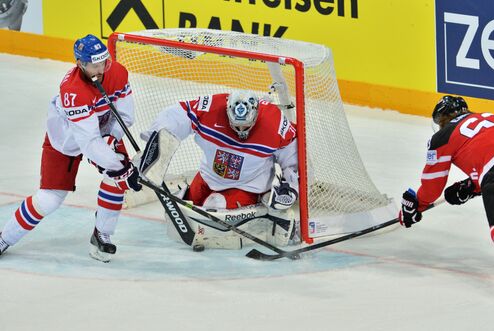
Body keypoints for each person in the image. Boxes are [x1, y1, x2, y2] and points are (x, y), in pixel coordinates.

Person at [0, 34, 142, 262]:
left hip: (101, 131)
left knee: (116, 183)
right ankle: (5, 238)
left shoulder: (116, 72)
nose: (102, 68)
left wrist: (113, 139)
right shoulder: (73, 91)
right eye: (95, 64)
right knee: (49, 199)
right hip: (64, 142)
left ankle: (102, 235)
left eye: (104, 61)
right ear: (81, 64)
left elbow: (124, 116)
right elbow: (88, 143)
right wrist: (119, 168)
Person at [399, 95, 494, 296]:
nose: (440, 125)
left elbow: (432, 187)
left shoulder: (442, 137)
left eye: (440, 120)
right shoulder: (487, 117)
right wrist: (471, 186)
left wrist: (417, 204)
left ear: (445, 117)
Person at [141, 90, 300, 249]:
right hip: (209, 176)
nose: (241, 130)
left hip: (247, 185)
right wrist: (153, 143)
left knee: (215, 205)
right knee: (186, 203)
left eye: (246, 125)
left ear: (256, 114)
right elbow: (178, 114)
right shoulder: (211, 107)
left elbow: (293, 153)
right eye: (236, 125)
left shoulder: (274, 122)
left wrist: (291, 186)